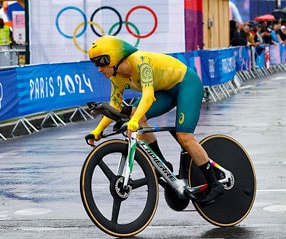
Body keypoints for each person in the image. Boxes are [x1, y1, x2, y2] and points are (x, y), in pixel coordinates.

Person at [85, 35, 224, 205]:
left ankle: (215, 184)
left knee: (184, 136)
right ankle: (163, 164)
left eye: (101, 62)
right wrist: (97, 130)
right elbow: (114, 105)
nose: (99, 68)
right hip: (165, 91)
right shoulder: (116, 77)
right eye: (95, 64)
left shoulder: (140, 61)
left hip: (186, 84)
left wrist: (134, 120)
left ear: (113, 57)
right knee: (137, 115)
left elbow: (148, 95)